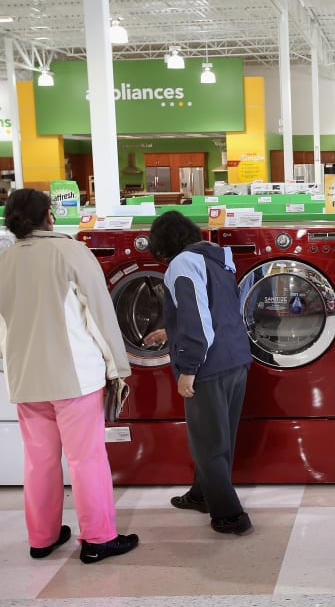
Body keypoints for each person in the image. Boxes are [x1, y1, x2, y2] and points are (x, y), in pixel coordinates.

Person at [0, 188, 139, 564]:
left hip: (26, 381)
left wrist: (15, 354)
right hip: (75, 378)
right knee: (86, 459)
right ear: (49, 216)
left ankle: (43, 538)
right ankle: (97, 539)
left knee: (39, 460)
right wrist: (118, 368)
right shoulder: (72, 252)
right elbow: (99, 317)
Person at [143, 210, 253, 535]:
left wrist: (188, 369)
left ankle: (230, 516)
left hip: (209, 365)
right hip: (236, 359)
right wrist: (169, 332)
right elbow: (217, 310)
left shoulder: (181, 264)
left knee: (207, 444)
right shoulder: (219, 259)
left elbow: (197, 320)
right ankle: (201, 494)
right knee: (220, 439)